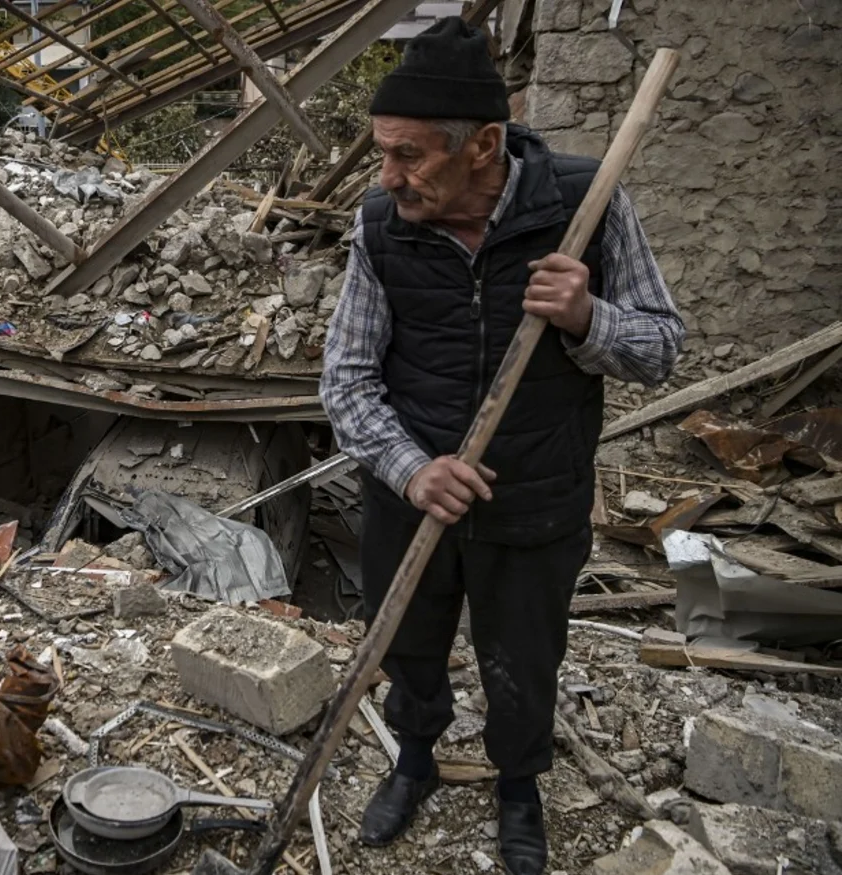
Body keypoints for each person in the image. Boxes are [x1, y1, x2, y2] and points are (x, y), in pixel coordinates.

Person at [319, 16, 684, 875]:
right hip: (413, 497)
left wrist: (590, 319)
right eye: (382, 151)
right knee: (406, 643)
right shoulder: (383, 228)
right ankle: (414, 761)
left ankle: (519, 787)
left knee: (524, 655)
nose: (388, 175)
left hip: (536, 494)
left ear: (483, 144)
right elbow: (345, 380)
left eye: (408, 155)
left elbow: (663, 346)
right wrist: (412, 472)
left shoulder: (585, 207)